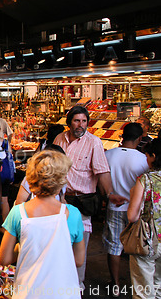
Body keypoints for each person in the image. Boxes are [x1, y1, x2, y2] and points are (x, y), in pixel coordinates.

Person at [53, 105, 128, 289]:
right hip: (60, 200)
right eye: (77, 121)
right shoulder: (59, 139)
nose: (80, 125)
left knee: (80, 246)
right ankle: (58, 283)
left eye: (84, 121)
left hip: (82, 202)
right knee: (59, 243)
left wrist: (110, 194)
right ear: (69, 122)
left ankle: (77, 286)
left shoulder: (94, 142)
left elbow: (102, 172)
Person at [0, 150, 85, 299]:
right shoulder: (73, 214)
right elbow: (78, 260)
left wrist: (20, 247)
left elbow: (4, 259)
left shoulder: (18, 212)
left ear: (31, 178)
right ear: (61, 182)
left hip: (28, 292)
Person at [102, 122, 149, 297]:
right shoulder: (143, 159)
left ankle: (115, 284)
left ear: (122, 135)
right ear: (139, 138)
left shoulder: (108, 154)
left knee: (114, 246)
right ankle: (138, 283)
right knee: (137, 246)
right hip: (136, 209)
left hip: (114, 206)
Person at [127, 139, 161, 299]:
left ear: (154, 156)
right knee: (159, 285)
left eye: (147, 156)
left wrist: (132, 194)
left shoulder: (145, 180)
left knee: (143, 290)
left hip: (148, 240)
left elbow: (132, 216)